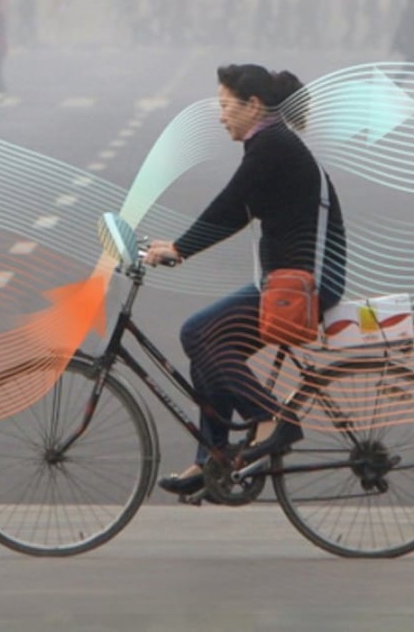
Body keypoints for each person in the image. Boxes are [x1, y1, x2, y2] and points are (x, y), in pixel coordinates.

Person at [143, 64, 347, 496]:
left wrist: (179, 249)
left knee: (197, 332)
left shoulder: (271, 145)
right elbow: (238, 212)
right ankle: (213, 462)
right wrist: (179, 246)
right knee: (208, 344)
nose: (220, 117)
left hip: (304, 286)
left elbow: (230, 203)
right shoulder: (270, 144)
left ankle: (272, 418)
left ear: (253, 106)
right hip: (288, 281)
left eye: (225, 106)